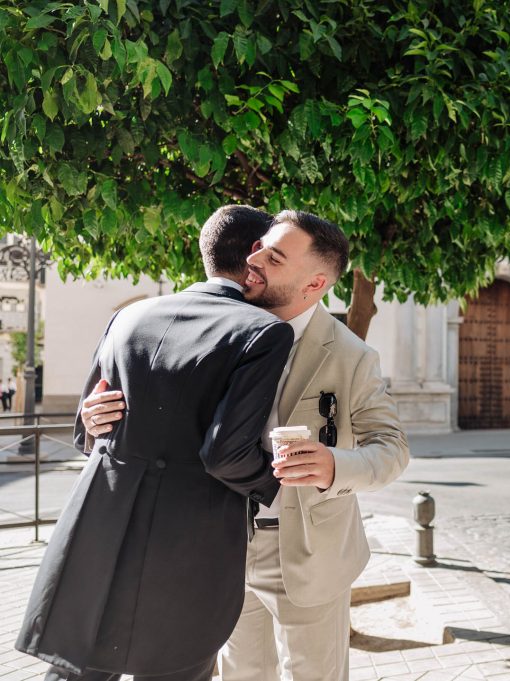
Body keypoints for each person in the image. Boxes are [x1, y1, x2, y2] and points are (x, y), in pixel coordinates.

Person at [84, 210, 409, 681]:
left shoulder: (352, 356)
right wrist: (101, 421)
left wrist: (334, 465)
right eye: (259, 246)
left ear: (314, 284)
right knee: (240, 674)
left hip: (309, 555)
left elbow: (392, 447)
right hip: (221, 543)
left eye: (274, 257)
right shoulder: (217, 327)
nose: (252, 259)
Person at [16, 206, 295, 681]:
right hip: (190, 543)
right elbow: (225, 454)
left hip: (99, 525)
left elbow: (88, 428)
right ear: (255, 255)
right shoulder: (264, 332)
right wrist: (279, 480)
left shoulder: (129, 316)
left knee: (77, 670)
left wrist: (94, 423)